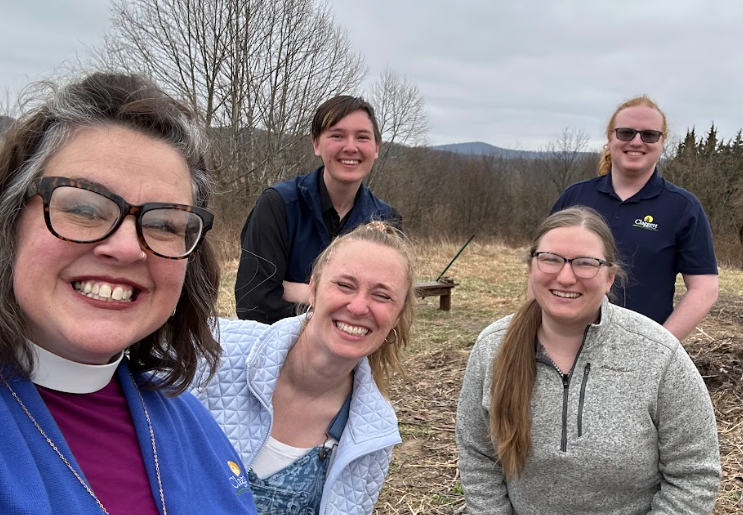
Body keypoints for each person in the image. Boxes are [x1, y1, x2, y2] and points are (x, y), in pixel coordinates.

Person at [0, 73, 257, 514]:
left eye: (162, 224)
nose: (124, 248)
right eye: (82, 207)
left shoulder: (190, 421)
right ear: (10, 222)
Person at [456, 207, 721, 515]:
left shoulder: (660, 355)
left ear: (609, 278)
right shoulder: (492, 347)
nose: (566, 277)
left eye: (585, 264)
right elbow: (478, 457)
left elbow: (694, 476)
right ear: (532, 267)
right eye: (551, 259)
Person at [194, 221, 415, 515]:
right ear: (313, 289)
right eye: (345, 285)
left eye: (382, 296)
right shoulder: (211, 351)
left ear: (397, 316)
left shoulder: (374, 432)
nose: (359, 307)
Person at [551, 96, 718, 341]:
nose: (637, 141)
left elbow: (705, 289)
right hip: (567, 340)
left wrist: (660, 347)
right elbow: (542, 268)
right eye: (626, 133)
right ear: (610, 138)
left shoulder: (683, 207)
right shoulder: (575, 196)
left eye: (649, 135)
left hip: (640, 348)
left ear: (663, 142)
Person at [234, 95, 402, 324]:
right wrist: (341, 307)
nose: (350, 147)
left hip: (354, 355)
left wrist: (304, 292)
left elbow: (390, 306)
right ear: (316, 144)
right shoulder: (278, 205)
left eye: (362, 137)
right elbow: (253, 302)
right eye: (337, 135)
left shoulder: (386, 219)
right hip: (281, 353)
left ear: (376, 148)